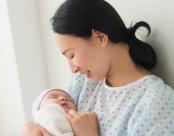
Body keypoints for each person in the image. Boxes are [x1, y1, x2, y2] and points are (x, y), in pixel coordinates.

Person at [21, 0, 174, 136]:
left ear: (100, 37)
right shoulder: (83, 82)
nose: (72, 69)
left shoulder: (156, 103)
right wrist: (29, 129)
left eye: (72, 55)